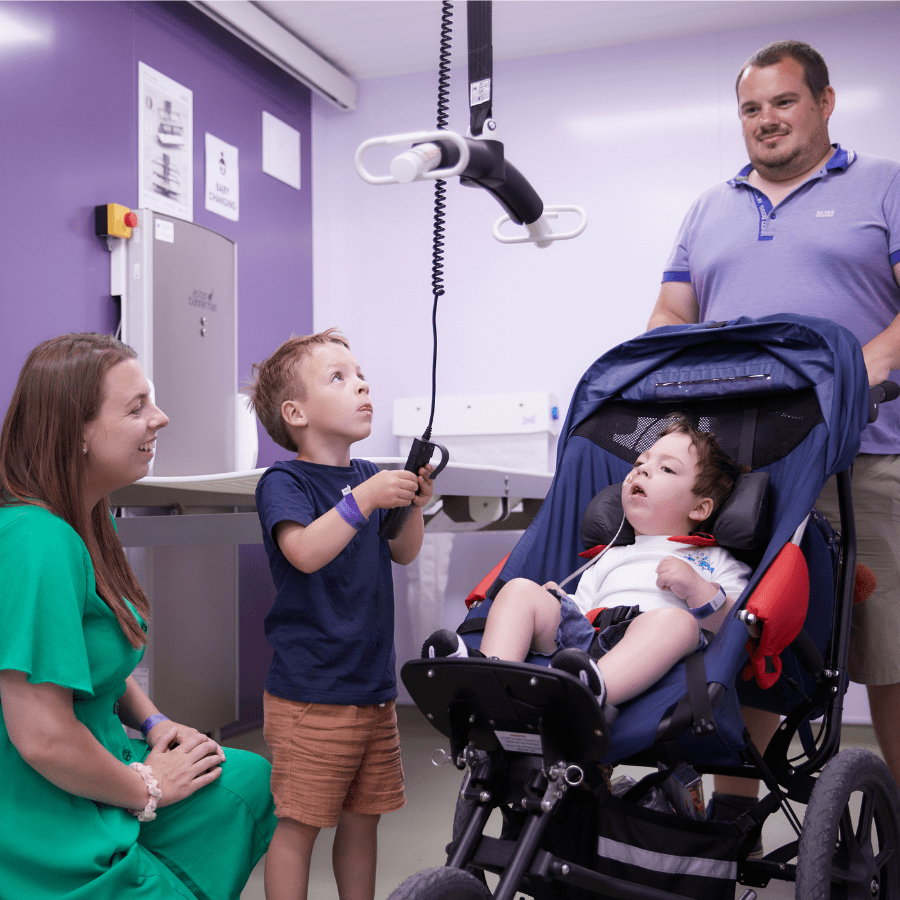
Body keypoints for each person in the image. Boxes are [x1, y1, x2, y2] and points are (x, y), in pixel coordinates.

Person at [647, 40, 900, 815]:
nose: (767, 120)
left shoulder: (883, 186)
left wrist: (846, 380)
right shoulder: (708, 207)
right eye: (751, 109)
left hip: (862, 455)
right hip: (743, 467)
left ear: (824, 103)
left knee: (890, 657)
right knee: (745, 642)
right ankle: (731, 828)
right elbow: (671, 315)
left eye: (783, 102)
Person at [0, 332, 276, 900]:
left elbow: (93, 651)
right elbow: (42, 738)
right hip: (38, 802)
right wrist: (147, 785)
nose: (161, 418)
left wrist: (153, 724)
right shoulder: (38, 542)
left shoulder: (88, 518)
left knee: (246, 782)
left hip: (100, 757)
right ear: (74, 431)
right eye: (136, 407)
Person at [245, 328, 435, 900]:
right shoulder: (286, 481)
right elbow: (303, 552)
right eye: (339, 377)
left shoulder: (366, 475)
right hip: (310, 693)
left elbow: (403, 551)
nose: (361, 385)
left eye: (360, 375)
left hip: (370, 688)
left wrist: (412, 506)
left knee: (363, 818)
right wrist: (366, 499)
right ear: (295, 413)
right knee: (299, 824)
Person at [423, 419, 751, 715]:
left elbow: (739, 623)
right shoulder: (606, 554)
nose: (642, 470)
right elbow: (581, 609)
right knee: (520, 589)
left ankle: (591, 692)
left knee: (677, 622)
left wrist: (698, 589)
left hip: (650, 644)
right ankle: (492, 674)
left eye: (667, 469)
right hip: (586, 639)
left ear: (700, 507)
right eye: (639, 463)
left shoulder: (712, 559)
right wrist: (555, 602)